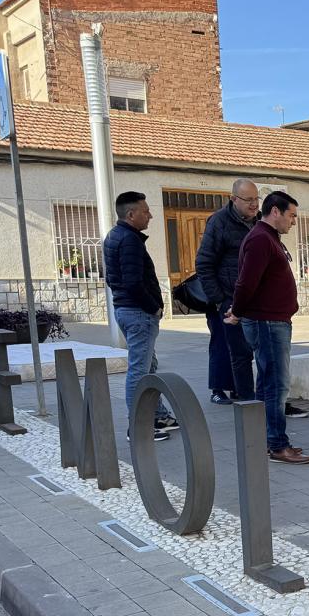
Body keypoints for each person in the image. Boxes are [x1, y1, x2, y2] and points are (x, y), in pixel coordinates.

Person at [196, 178, 308, 417]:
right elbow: (204, 264)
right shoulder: (219, 222)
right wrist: (221, 300)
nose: (254, 204)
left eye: (256, 199)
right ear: (233, 199)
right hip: (230, 300)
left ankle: (270, 405)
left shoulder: (261, 225)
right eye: (248, 200)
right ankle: (249, 407)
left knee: (265, 361)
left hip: (256, 303)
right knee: (239, 355)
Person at [226, 191, 309, 465]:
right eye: (291, 215)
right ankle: (277, 445)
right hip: (267, 323)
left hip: (273, 321)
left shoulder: (268, 238)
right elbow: (246, 282)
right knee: (276, 385)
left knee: (267, 384)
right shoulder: (261, 239)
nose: (294, 222)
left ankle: (270, 440)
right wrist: (237, 312)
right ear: (275, 211)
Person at [102, 190, 176, 443]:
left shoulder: (116, 236)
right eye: (146, 211)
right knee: (139, 371)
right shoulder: (130, 240)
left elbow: (114, 279)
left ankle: (159, 415)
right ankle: (138, 425)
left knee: (149, 365)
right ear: (131, 214)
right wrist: (153, 307)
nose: (151, 215)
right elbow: (133, 282)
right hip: (138, 313)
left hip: (127, 310)